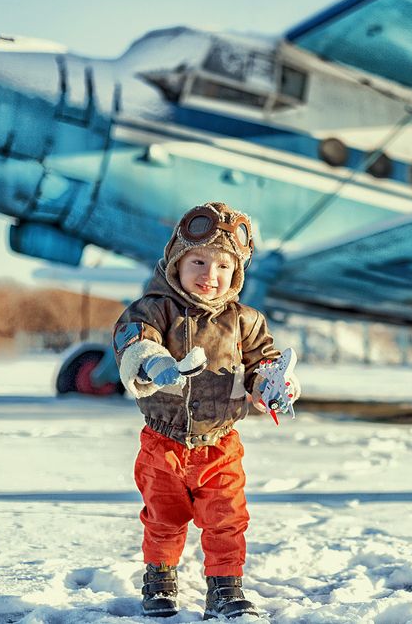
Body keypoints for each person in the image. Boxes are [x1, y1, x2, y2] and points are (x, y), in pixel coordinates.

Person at [112, 201, 300, 619]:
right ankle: (159, 580)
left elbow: (262, 362)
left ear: (237, 275)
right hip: (163, 441)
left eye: (222, 268)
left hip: (220, 444)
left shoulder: (245, 321)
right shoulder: (154, 308)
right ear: (175, 262)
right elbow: (132, 336)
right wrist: (151, 361)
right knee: (163, 517)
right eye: (198, 261)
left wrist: (271, 384)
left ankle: (225, 587)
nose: (209, 276)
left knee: (227, 518)